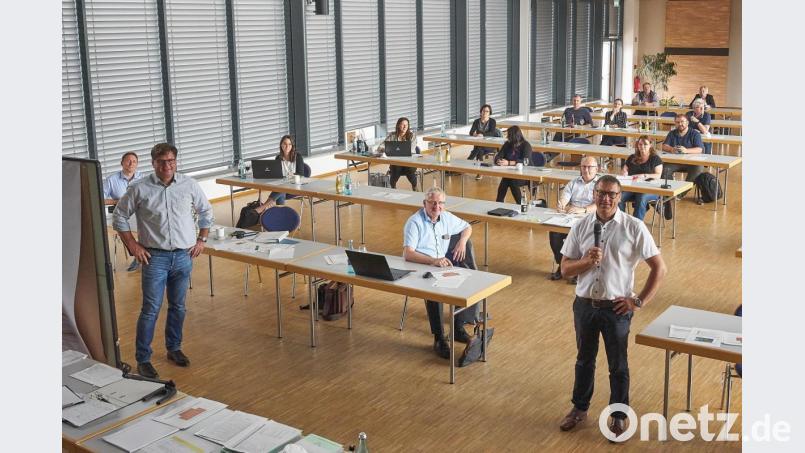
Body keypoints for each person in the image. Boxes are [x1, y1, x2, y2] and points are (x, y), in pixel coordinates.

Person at [558, 175, 666, 439]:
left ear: (619, 197)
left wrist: (638, 301)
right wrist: (585, 262)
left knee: (618, 365)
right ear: (593, 194)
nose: (605, 199)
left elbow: (659, 268)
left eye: (612, 194)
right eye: (601, 193)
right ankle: (579, 409)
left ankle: (618, 416)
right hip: (584, 305)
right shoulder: (581, 226)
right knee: (584, 361)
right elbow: (564, 269)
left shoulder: (634, 227)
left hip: (616, 309)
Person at [113, 143, 214, 379]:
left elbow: (206, 212)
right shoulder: (140, 188)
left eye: (171, 161)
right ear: (153, 163)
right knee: (150, 309)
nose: (167, 166)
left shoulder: (189, 185)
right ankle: (143, 358)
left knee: (178, 306)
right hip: (154, 257)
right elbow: (119, 216)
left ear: (176, 162)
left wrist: (202, 239)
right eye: (161, 162)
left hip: (183, 256)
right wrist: (132, 245)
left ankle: (174, 348)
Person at [403, 187, 493, 367]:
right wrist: (433, 261)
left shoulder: (446, 217)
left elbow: (467, 227)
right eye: (432, 203)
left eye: (440, 203)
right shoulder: (414, 222)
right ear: (425, 204)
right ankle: (439, 339)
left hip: (441, 265)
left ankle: (458, 328)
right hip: (420, 266)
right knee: (435, 291)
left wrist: (462, 241)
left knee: (471, 280)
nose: (437, 206)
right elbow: (408, 254)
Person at [548, 156, 599, 282]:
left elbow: (599, 204)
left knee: (580, 237)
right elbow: (565, 196)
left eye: (589, 167)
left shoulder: (600, 184)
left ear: (596, 169)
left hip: (590, 217)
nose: (586, 170)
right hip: (570, 215)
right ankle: (563, 265)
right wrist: (562, 204)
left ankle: (578, 269)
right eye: (583, 167)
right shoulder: (574, 182)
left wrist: (583, 210)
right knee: (554, 232)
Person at [104, 152, 143, 271]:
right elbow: (100, 199)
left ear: (137, 164)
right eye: (128, 161)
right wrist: (119, 201)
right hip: (123, 214)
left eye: (134, 161)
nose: (131, 163)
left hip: (141, 213)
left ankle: (147, 256)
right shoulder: (111, 180)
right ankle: (137, 255)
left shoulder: (143, 178)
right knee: (122, 226)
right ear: (122, 163)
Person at [255, 135, 306, 214]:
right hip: (282, 186)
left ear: (292, 146)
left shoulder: (298, 157)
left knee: (281, 189)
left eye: (289, 144)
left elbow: (301, 174)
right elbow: (277, 173)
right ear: (281, 145)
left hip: (295, 187)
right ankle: (281, 215)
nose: (287, 146)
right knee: (281, 189)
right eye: (285, 144)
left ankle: (263, 207)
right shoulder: (278, 158)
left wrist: (290, 175)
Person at [618, 136, 663, 220]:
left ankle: (636, 224)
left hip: (651, 188)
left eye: (645, 144)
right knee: (618, 197)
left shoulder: (655, 159)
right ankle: (622, 221)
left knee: (641, 197)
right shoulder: (632, 157)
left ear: (650, 145)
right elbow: (624, 169)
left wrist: (646, 175)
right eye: (640, 144)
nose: (642, 146)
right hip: (633, 186)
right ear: (637, 145)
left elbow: (658, 175)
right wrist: (624, 172)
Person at [660, 114, 705, 183]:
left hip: (691, 163)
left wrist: (686, 150)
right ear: (675, 123)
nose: (680, 124)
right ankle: (671, 190)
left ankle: (681, 192)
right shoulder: (672, 133)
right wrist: (671, 149)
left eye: (682, 122)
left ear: (687, 122)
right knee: (663, 168)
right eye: (677, 122)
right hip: (675, 162)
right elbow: (664, 146)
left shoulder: (695, 134)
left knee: (698, 168)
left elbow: (699, 149)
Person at [377, 117, 418, 189]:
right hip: (396, 163)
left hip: (409, 162)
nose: (405, 127)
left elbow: (410, 150)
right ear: (398, 125)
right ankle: (393, 188)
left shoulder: (412, 136)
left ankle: (414, 187)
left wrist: (394, 151)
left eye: (406, 125)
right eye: (403, 124)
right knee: (396, 168)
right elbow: (380, 147)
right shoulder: (392, 135)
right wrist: (386, 149)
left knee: (409, 170)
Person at [493, 125, 530, 204]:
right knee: (507, 179)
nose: (507, 137)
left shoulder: (526, 145)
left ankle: (518, 203)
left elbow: (526, 161)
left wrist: (509, 163)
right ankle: (500, 203)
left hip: (525, 175)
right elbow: (498, 155)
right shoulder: (507, 144)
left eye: (509, 135)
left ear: (515, 136)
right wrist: (499, 161)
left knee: (510, 180)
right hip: (510, 173)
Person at [467, 104, 498, 180]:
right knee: (479, 150)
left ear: (489, 113)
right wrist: (474, 134)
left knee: (478, 149)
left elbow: (492, 133)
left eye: (487, 111)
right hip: (479, 145)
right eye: (483, 111)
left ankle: (468, 161)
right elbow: (471, 132)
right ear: (481, 112)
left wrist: (481, 134)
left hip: (490, 145)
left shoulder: (492, 121)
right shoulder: (476, 121)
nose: (485, 113)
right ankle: (479, 172)